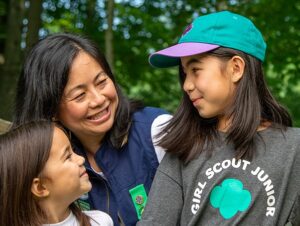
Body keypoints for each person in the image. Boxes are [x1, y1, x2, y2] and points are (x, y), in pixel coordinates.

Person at [137, 11, 300, 226]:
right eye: (185, 73)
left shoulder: (294, 148)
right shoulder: (184, 148)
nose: (186, 85)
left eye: (196, 70)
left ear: (236, 68)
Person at [12, 33, 171, 226]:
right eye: (79, 95)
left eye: (101, 82)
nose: (99, 100)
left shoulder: (157, 131)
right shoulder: (45, 166)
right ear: (51, 109)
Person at [0, 121, 113, 226]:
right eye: (68, 156)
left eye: (73, 151)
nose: (81, 159)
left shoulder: (100, 222)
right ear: (40, 187)